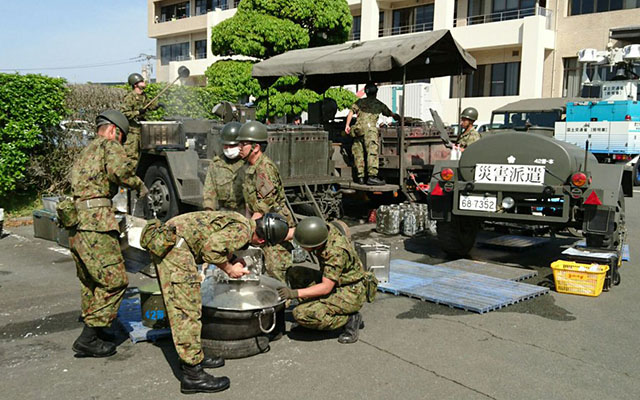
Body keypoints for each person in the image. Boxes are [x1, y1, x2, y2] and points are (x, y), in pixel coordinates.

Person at [140, 211, 289, 394]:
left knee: (187, 309)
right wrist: (229, 269)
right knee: (186, 312)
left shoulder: (242, 221)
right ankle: (192, 375)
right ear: (261, 241)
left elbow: (212, 238)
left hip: (174, 242)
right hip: (176, 251)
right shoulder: (242, 232)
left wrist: (233, 260)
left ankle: (194, 356)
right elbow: (211, 250)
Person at [69, 110, 149, 358]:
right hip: (97, 223)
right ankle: (88, 337)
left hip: (77, 222)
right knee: (115, 281)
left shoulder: (87, 150)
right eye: (122, 138)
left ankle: (101, 330)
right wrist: (140, 185)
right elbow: (120, 173)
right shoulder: (110, 146)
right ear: (115, 131)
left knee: (91, 280)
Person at [278, 217, 368, 344]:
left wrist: (293, 293)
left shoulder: (335, 252)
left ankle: (349, 319)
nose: (302, 248)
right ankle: (314, 309)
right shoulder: (320, 229)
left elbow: (326, 287)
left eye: (304, 246)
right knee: (296, 273)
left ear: (316, 244)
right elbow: (295, 232)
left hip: (350, 291)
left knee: (300, 314)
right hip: (335, 280)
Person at [238, 121, 295, 283]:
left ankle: (284, 304)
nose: (239, 147)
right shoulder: (249, 166)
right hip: (262, 226)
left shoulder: (264, 169)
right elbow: (250, 202)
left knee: (276, 272)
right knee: (262, 270)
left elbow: (263, 207)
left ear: (256, 147)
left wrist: (247, 232)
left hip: (274, 228)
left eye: (244, 144)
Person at [345, 82, 400, 185]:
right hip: (370, 131)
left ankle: (360, 177)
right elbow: (390, 114)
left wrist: (347, 125)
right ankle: (372, 177)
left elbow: (351, 112)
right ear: (376, 92)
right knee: (372, 152)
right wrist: (399, 118)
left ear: (366, 92)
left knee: (358, 153)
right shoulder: (378, 104)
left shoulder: (360, 102)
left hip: (357, 130)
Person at [202, 122, 246, 213]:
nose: (229, 148)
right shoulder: (216, 164)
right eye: (226, 145)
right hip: (225, 212)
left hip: (245, 213)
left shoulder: (248, 163)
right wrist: (209, 212)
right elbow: (209, 193)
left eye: (233, 145)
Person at [120, 72, 159, 164]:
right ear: (135, 84)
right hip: (132, 132)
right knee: (131, 155)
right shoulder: (130, 97)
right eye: (141, 81)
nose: (144, 82)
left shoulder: (143, 96)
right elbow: (124, 113)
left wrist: (157, 106)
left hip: (142, 130)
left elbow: (149, 105)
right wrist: (138, 112)